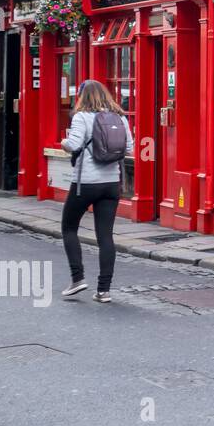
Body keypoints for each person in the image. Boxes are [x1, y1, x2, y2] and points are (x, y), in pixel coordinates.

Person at [59, 80, 133, 303]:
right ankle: (104, 290)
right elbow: (129, 148)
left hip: (86, 183)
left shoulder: (82, 117)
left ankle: (78, 278)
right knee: (105, 236)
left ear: (83, 96)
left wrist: (63, 141)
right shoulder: (120, 117)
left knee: (69, 227)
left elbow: (72, 145)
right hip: (111, 183)